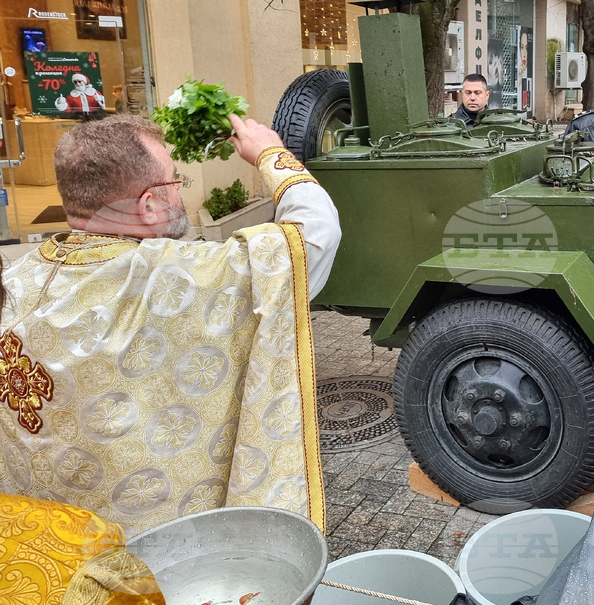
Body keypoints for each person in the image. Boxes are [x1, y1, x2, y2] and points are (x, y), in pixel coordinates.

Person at [0, 113, 340, 536]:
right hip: (165, 555)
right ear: (148, 205)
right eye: (173, 183)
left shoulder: (14, 281)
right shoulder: (178, 280)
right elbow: (313, 236)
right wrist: (270, 153)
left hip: (45, 544)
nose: (178, 195)